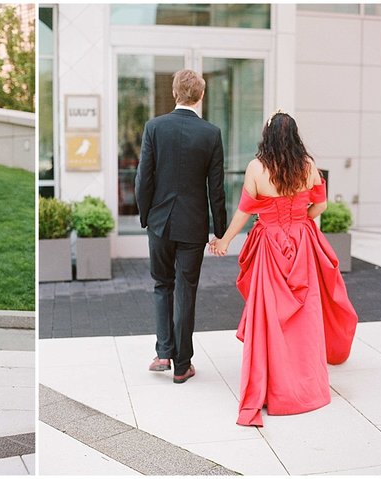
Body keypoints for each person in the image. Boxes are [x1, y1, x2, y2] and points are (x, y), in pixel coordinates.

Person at [209, 111, 358, 427]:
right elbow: (321, 205)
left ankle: (274, 385)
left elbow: (243, 212)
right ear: (294, 137)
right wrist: (302, 217)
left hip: (270, 244)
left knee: (271, 318)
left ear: (268, 136)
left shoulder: (256, 168)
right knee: (305, 318)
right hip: (301, 242)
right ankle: (308, 388)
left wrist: (223, 240)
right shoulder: (308, 166)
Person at [135, 69, 227, 384]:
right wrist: (220, 230)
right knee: (186, 290)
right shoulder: (211, 134)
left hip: (160, 223)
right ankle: (182, 364)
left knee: (162, 284)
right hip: (193, 225)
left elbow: (143, 178)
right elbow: (217, 188)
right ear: (201, 96)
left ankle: (163, 351)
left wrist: (146, 216)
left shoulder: (154, 128)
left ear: (175, 93)